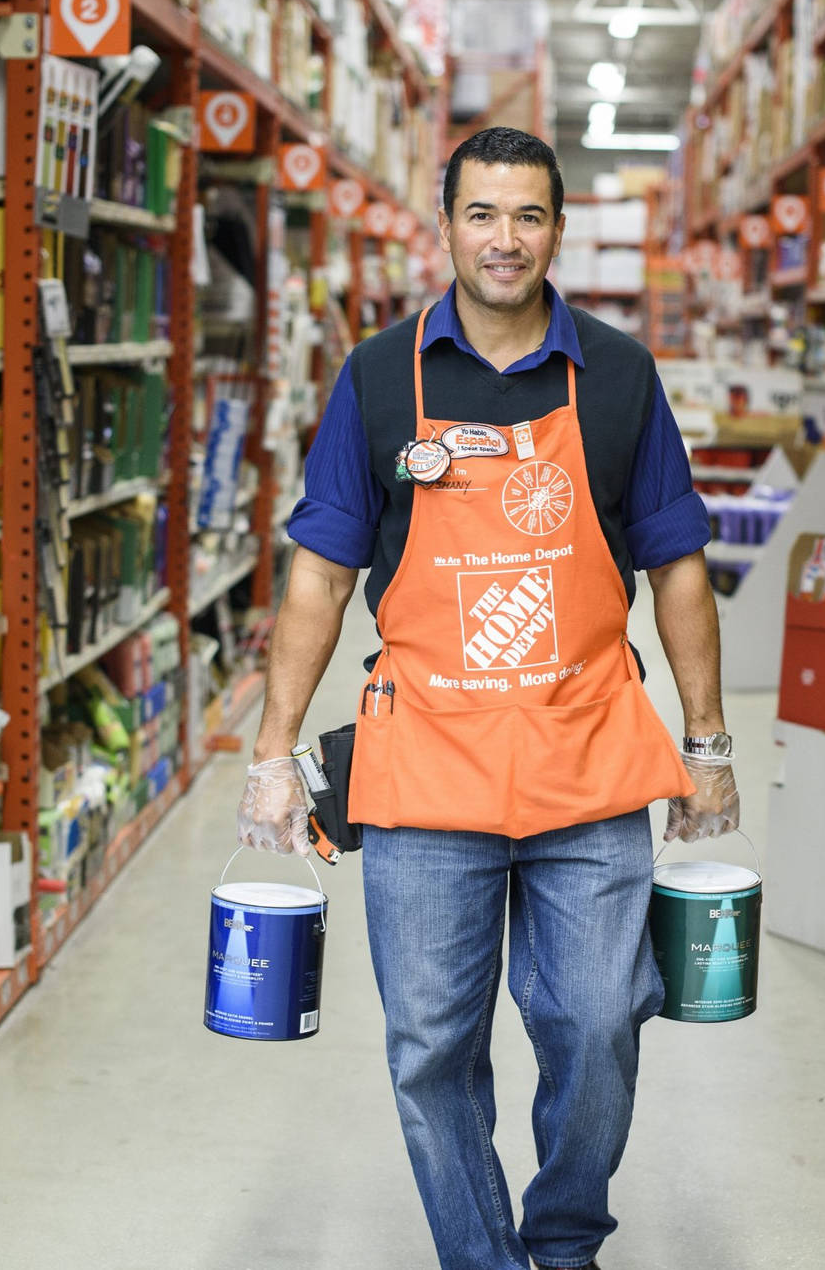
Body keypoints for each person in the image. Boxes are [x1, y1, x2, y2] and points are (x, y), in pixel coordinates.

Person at [236, 126, 739, 1270]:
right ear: (446, 223)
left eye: (527, 216)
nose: (504, 240)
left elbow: (678, 562)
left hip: (588, 755)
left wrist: (707, 741)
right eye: (481, 214)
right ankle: (484, 1258)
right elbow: (319, 572)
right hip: (426, 769)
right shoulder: (377, 375)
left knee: (600, 1025)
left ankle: (564, 1242)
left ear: (556, 228)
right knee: (429, 1047)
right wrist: (273, 750)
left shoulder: (616, 373)